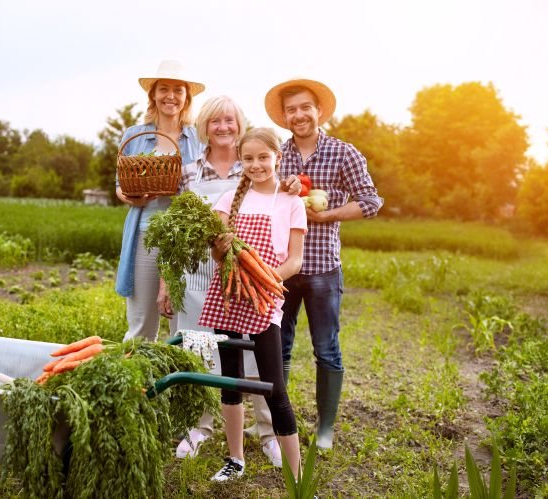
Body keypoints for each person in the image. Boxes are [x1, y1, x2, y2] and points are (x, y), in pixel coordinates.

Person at [161, 96, 303, 466]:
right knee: (211, 361)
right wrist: (212, 254)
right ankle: (209, 434)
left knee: (265, 370)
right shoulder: (193, 173)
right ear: (204, 127)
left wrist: (263, 275)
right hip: (209, 283)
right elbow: (187, 234)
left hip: (258, 287)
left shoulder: (263, 173)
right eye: (215, 121)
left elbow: (290, 250)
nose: (223, 127)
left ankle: (270, 434)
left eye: (230, 121)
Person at [264, 78, 383, 449]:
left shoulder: (344, 153)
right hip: (282, 267)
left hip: (322, 268)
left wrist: (326, 215)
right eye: (291, 110)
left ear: (318, 111)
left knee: (326, 348)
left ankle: (325, 429)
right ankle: (277, 422)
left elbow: (370, 202)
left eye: (305, 107)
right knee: (277, 346)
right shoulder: (276, 154)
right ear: (284, 117)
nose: (298, 115)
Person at [198, 127, 307, 481]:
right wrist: (220, 244)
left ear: (277, 156)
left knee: (275, 388)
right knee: (230, 381)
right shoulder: (229, 199)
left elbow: (294, 261)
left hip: (265, 296)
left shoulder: (291, 203)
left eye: (263, 157)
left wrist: (266, 279)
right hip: (228, 295)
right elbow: (217, 254)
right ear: (240, 161)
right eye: (248, 158)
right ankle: (235, 459)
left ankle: (296, 474)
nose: (256, 164)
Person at [115, 60, 205, 342]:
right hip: (146, 234)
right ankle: (140, 383)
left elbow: (205, 187)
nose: (171, 96)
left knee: (181, 319)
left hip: (184, 240)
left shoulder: (198, 139)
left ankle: (178, 382)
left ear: (186, 98)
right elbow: (120, 187)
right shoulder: (134, 135)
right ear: (153, 95)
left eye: (178, 90)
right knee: (142, 320)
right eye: (163, 89)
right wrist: (135, 199)